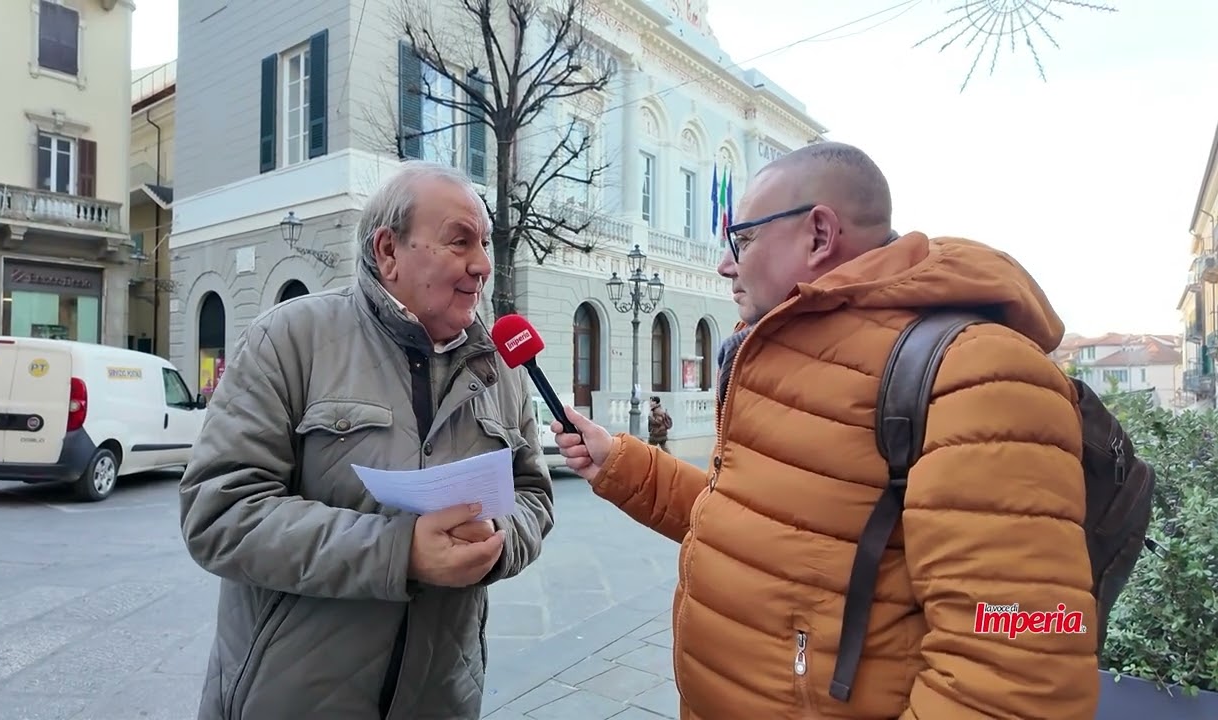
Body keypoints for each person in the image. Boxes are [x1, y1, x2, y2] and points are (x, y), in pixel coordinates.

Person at [552, 142, 1099, 719]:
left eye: (743, 240)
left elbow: (1019, 659)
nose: (725, 264)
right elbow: (752, 523)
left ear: (818, 234)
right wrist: (620, 464)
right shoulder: (772, 357)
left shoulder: (977, 370)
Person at [179, 160, 555, 720]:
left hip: (444, 699)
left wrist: (498, 540)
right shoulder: (289, 339)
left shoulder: (501, 368)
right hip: (292, 700)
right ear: (388, 251)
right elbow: (219, 513)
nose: (482, 264)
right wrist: (399, 552)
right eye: (460, 241)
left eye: (484, 244)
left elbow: (533, 495)